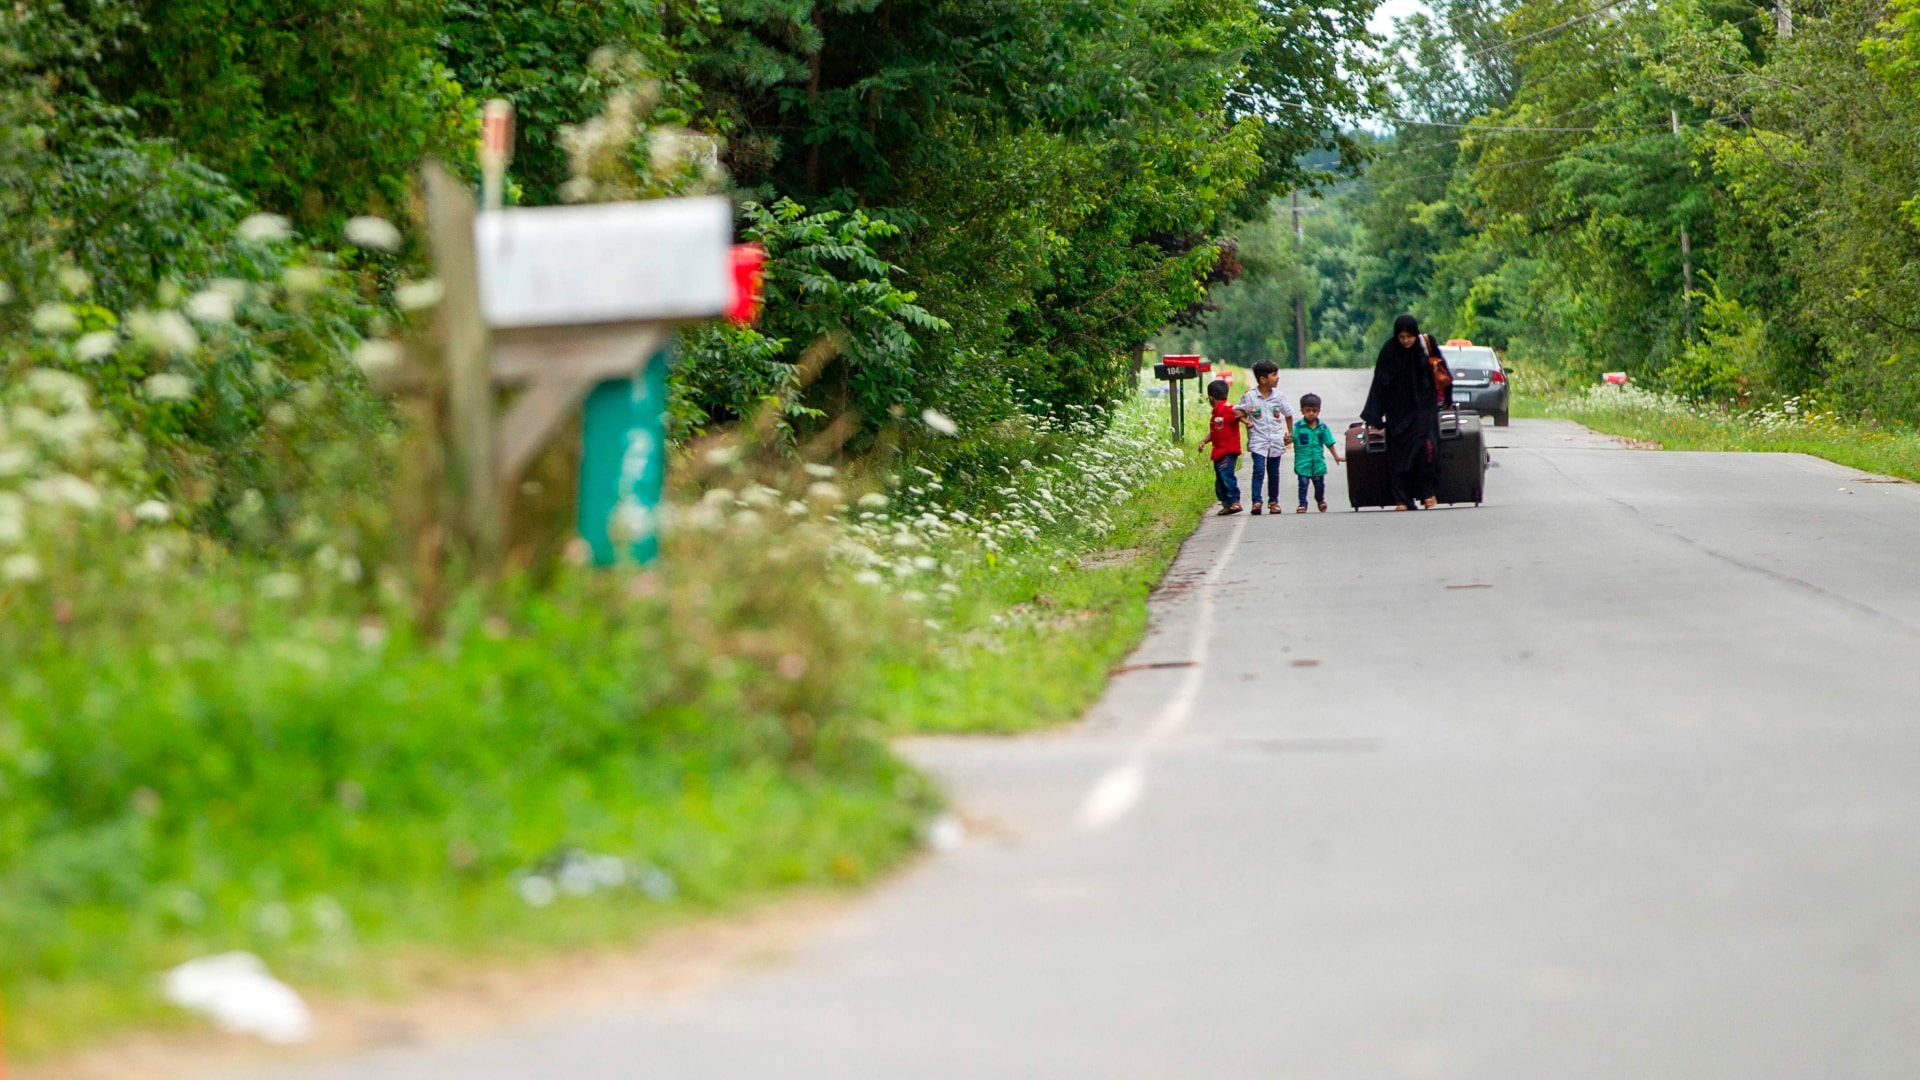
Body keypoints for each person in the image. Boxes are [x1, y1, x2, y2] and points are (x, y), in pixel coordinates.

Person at [1361, 314, 1442, 510]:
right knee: (1398, 457)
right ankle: (1402, 499)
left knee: (1426, 450)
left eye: (1409, 336)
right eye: (1401, 337)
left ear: (1415, 334)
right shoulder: (1389, 351)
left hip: (1424, 409)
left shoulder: (1424, 347)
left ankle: (1427, 493)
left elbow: (1440, 371)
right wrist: (1374, 413)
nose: (1405, 341)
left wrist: (1445, 399)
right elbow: (1379, 382)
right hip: (1397, 412)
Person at [1236, 361, 1295, 516]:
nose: (1278, 378)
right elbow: (1238, 412)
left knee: (1274, 472)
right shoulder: (1250, 397)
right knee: (1259, 470)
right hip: (1258, 441)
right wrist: (1245, 421)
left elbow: (1288, 414)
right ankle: (1257, 501)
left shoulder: (1279, 397)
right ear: (1263, 379)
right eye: (1274, 375)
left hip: (1275, 441)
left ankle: (1273, 502)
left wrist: (1290, 433)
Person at [1196, 378, 1242, 515]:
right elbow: (1214, 432)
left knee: (1227, 476)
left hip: (1228, 451)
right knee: (1220, 481)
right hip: (1218, 452)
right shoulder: (1216, 413)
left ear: (1210, 398)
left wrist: (1246, 419)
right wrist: (1204, 441)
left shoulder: (1227, 408)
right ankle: (1227, 504)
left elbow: (1238, 414)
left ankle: (1235, 501)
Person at [1291, 392, 1342, 513]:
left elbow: (1329, 443)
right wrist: (1285, 442)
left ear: (1319, 411)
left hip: (1318, 463)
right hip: (1303, 463)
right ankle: (1302, 504)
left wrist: (1336, 456)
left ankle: (1320, 500)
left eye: (1314, 410)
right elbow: (1290, 439)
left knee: (1319, 485)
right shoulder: (1297, 427)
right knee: (1303, 483)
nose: (1311, 413)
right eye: (1308, 410)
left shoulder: (1323, 428)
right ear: (1302, 411)